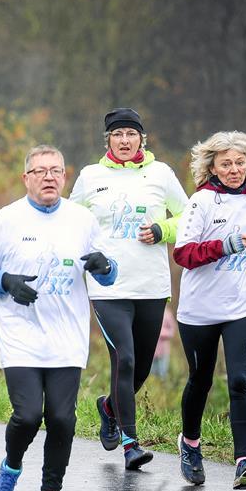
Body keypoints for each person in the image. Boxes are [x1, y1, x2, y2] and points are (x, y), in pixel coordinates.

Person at [0, 144, 117, 491]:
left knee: (63, 420)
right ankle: (10, 469)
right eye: (40, 171)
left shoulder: (82, 219)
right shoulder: (6, 219)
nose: (49, 177)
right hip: (21, 335)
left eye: (56, 171)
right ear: (26, 178)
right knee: (29, 415)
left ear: (65, 177)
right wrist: (6, 282)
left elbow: (109, 271)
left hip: (67, 337)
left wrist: (105, 266)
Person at [70, 108, 188, 470]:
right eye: (117, 134)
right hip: (108, 288)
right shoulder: (91, 177)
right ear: (108, 139)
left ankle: (108, 407)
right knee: (125, 358)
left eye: (131, 134)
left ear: (142, 139)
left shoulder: (161, 174)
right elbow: (69, 222)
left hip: (152, 286)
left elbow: (187, 217)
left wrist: (162, 231)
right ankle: (129, 443)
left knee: (141, 370)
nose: (124, 141)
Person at [172, 131, 246, 491]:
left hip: (243, 305)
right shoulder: (201, 202)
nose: (234, 169)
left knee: (241, 379)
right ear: (212, 165)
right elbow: (183, 254)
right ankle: (191, 444)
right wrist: (222, 246)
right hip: (199, 309)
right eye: (226, 163)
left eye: (240, 162)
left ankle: (245, 462)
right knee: (200, 379)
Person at [150, 306, 176, 380]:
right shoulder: (150, 313)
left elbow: (172, 330)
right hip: (151, 351)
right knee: (151, 374)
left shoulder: (167, 314)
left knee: (162, 373)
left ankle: (162, 388)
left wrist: (161, 332)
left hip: (163, 351)